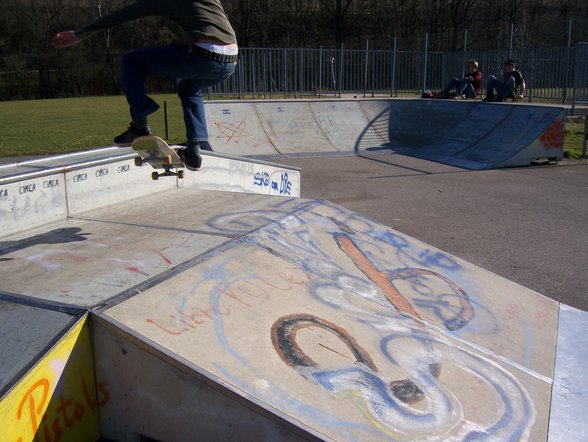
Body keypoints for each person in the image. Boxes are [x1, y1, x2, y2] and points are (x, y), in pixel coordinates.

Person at [52, 0, 238, 171]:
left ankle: (140, 126)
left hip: (204, 55)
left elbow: (125, 14)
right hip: (231, 60)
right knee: (189, 88)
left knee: (131, 61)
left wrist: (79, 34)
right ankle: (195, 150)